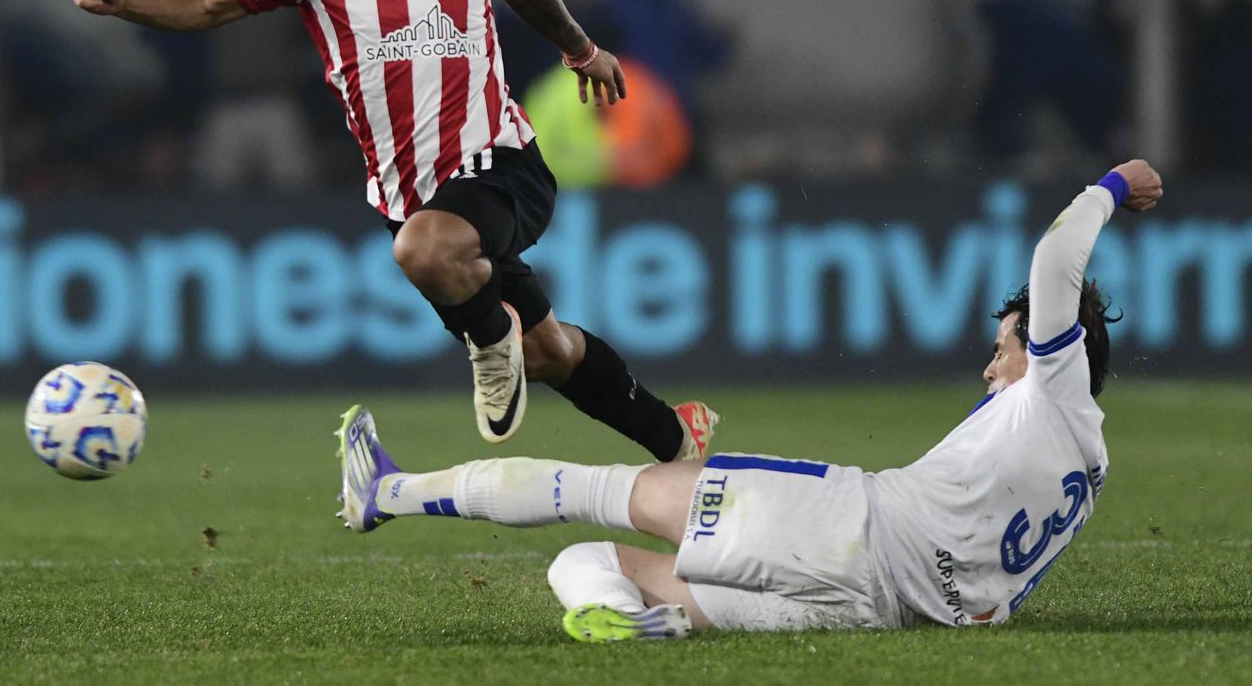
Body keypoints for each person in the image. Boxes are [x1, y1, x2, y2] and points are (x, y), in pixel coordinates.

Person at [72, 0, 715, 462]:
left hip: (502, 165)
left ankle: (491, 346)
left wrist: (581, 49)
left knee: (423, 252)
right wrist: (126, 2)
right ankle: (677, 440)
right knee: (548, 351)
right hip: (413, 198)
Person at [336, 160, 1163, 641]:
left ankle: (388, 493)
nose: (992, 368)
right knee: (588, 568)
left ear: (1060, 352)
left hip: (849, 527)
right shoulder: (1090, 468)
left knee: (596, 492)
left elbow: (1058, 262)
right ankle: (624, 622)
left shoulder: (1054, 383)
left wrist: (1112, 187)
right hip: (881, 613)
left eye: (1005, 348)